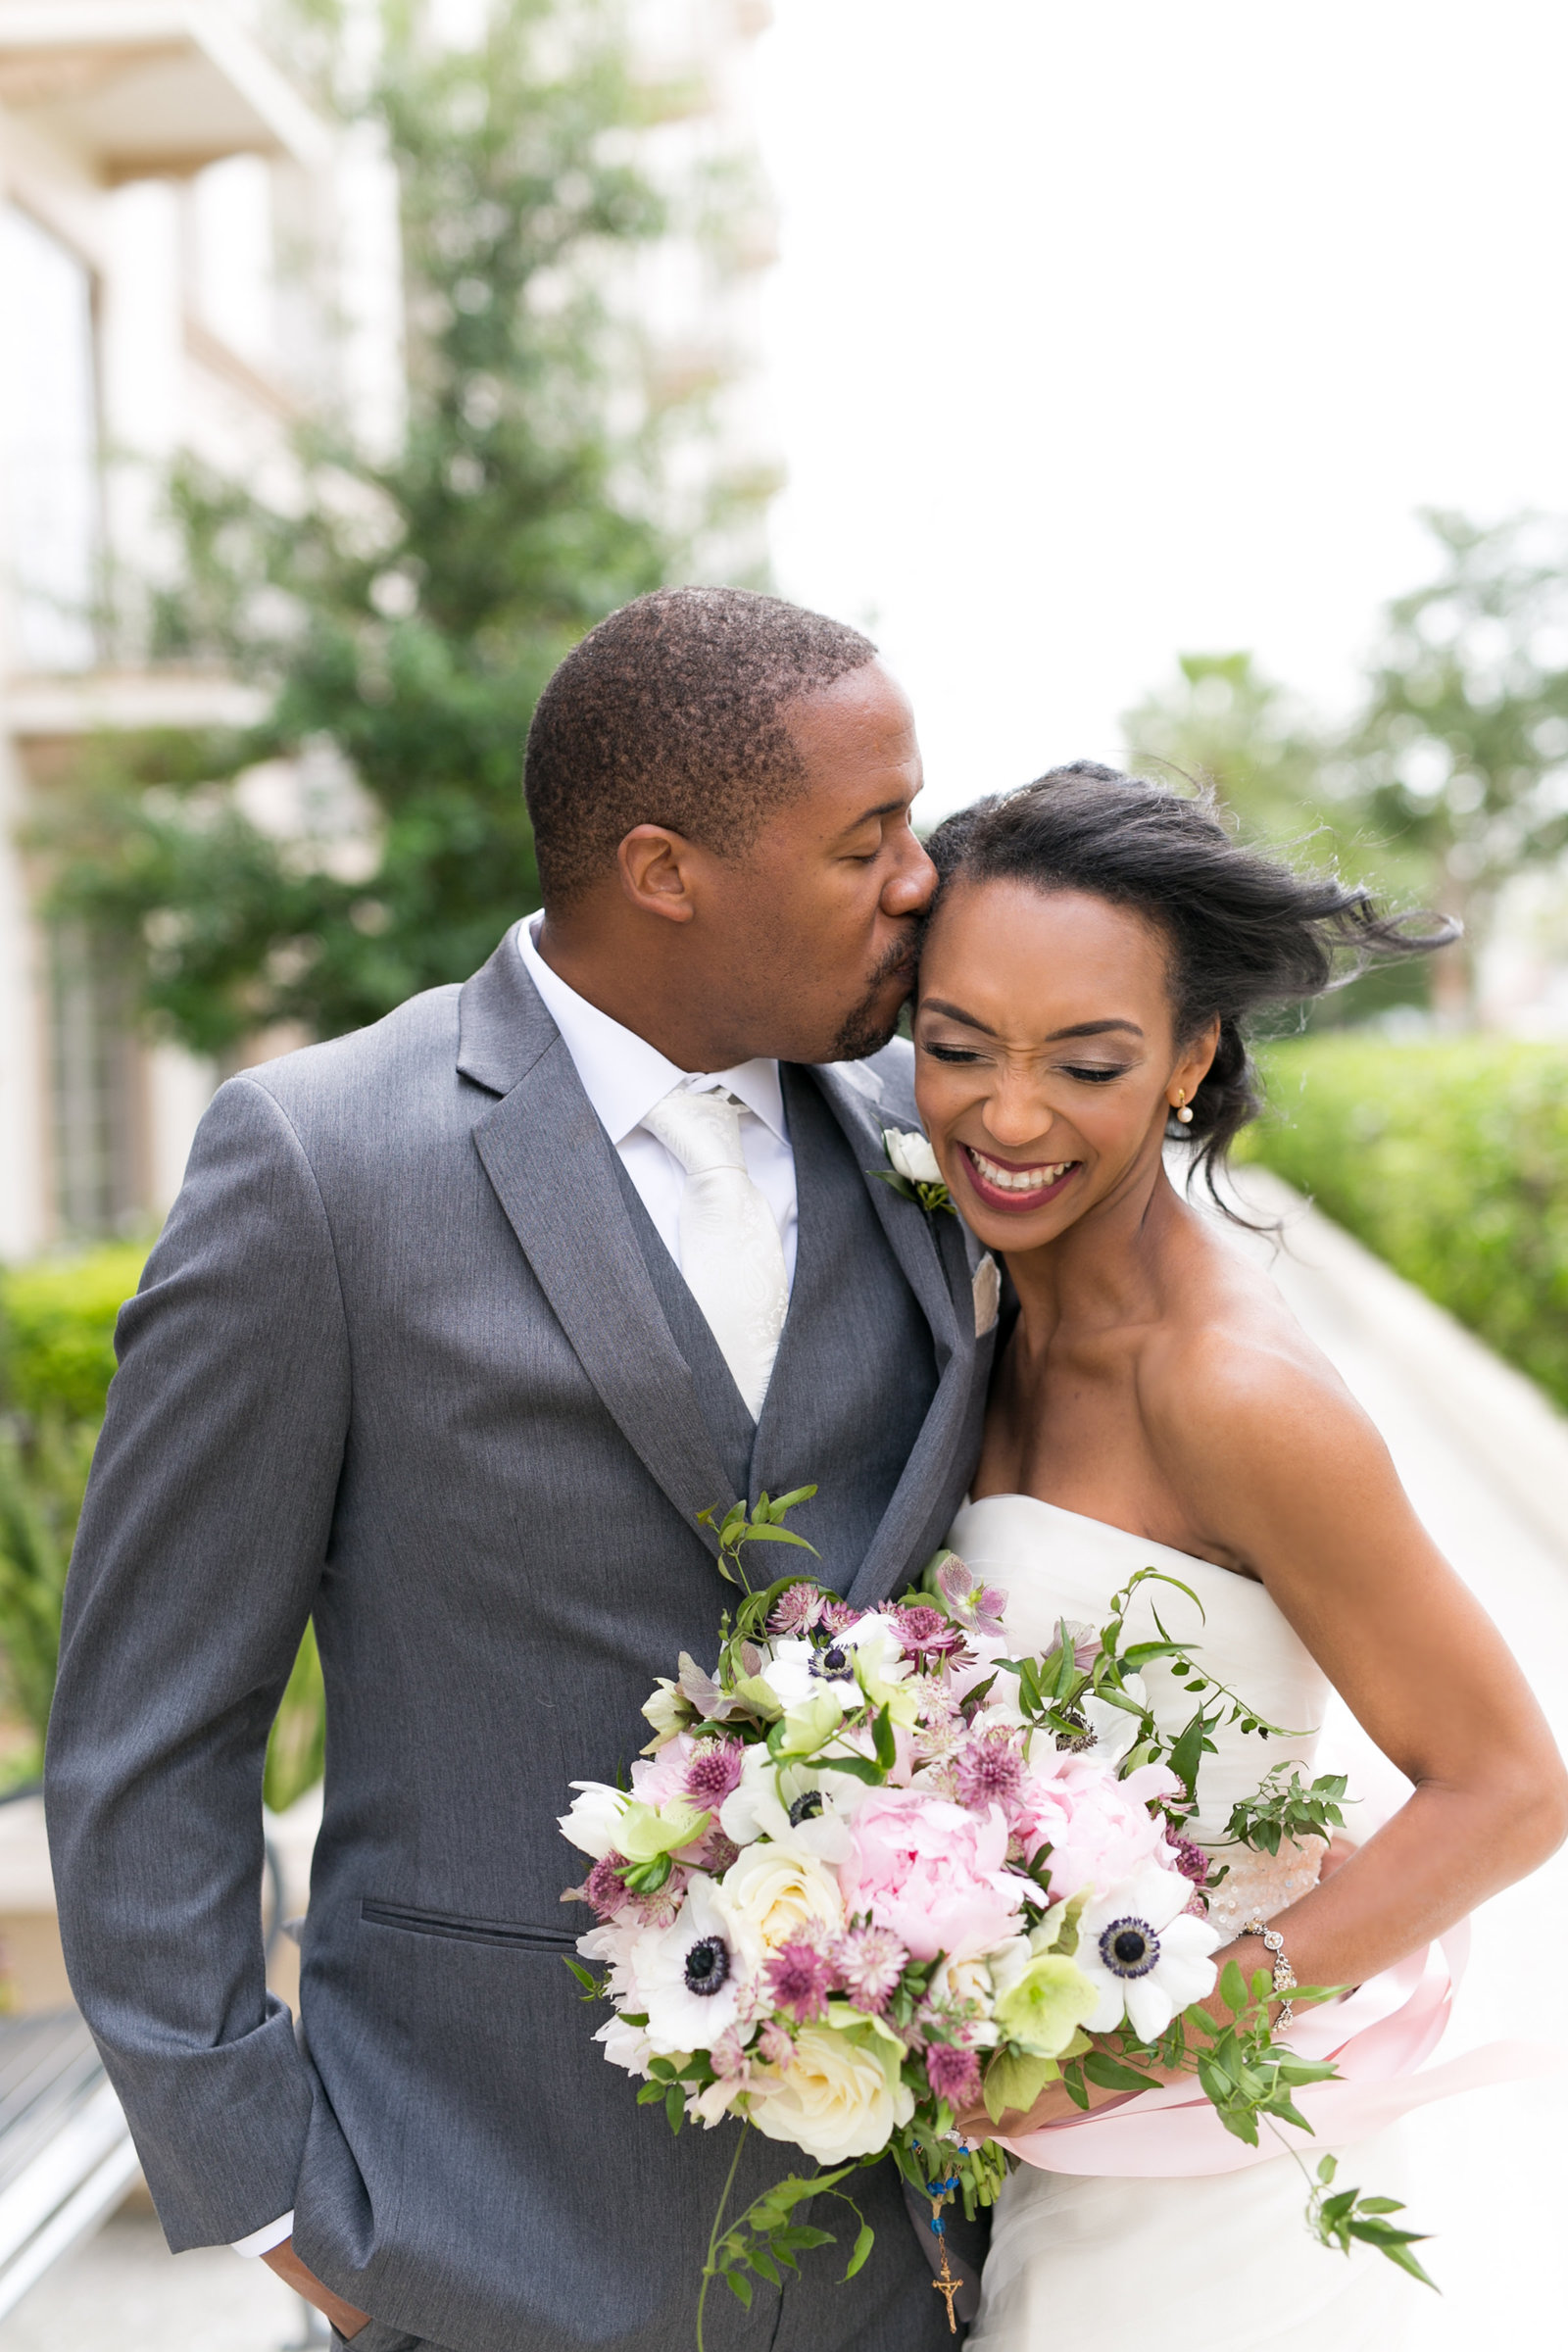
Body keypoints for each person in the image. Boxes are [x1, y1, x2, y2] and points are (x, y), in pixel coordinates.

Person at [45, 588, 999, 2352]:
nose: (922, 879)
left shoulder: (921, 1143)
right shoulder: (320, 1168)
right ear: (664, 870)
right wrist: (270, 2188)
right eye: (869, 839)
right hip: (470, 2232)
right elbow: (146, 1734)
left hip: (888, 2255)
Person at [908, 764, 1568, 2351]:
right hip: (1029, 2187)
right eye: (955, 1047)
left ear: (1193, 1057)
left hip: (1210, 2215)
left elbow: (1512, 1783)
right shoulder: (976, 1301)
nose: (1007, 1113)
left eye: (1087, 1061)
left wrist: (1159, 2035)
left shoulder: (1229, 1388)